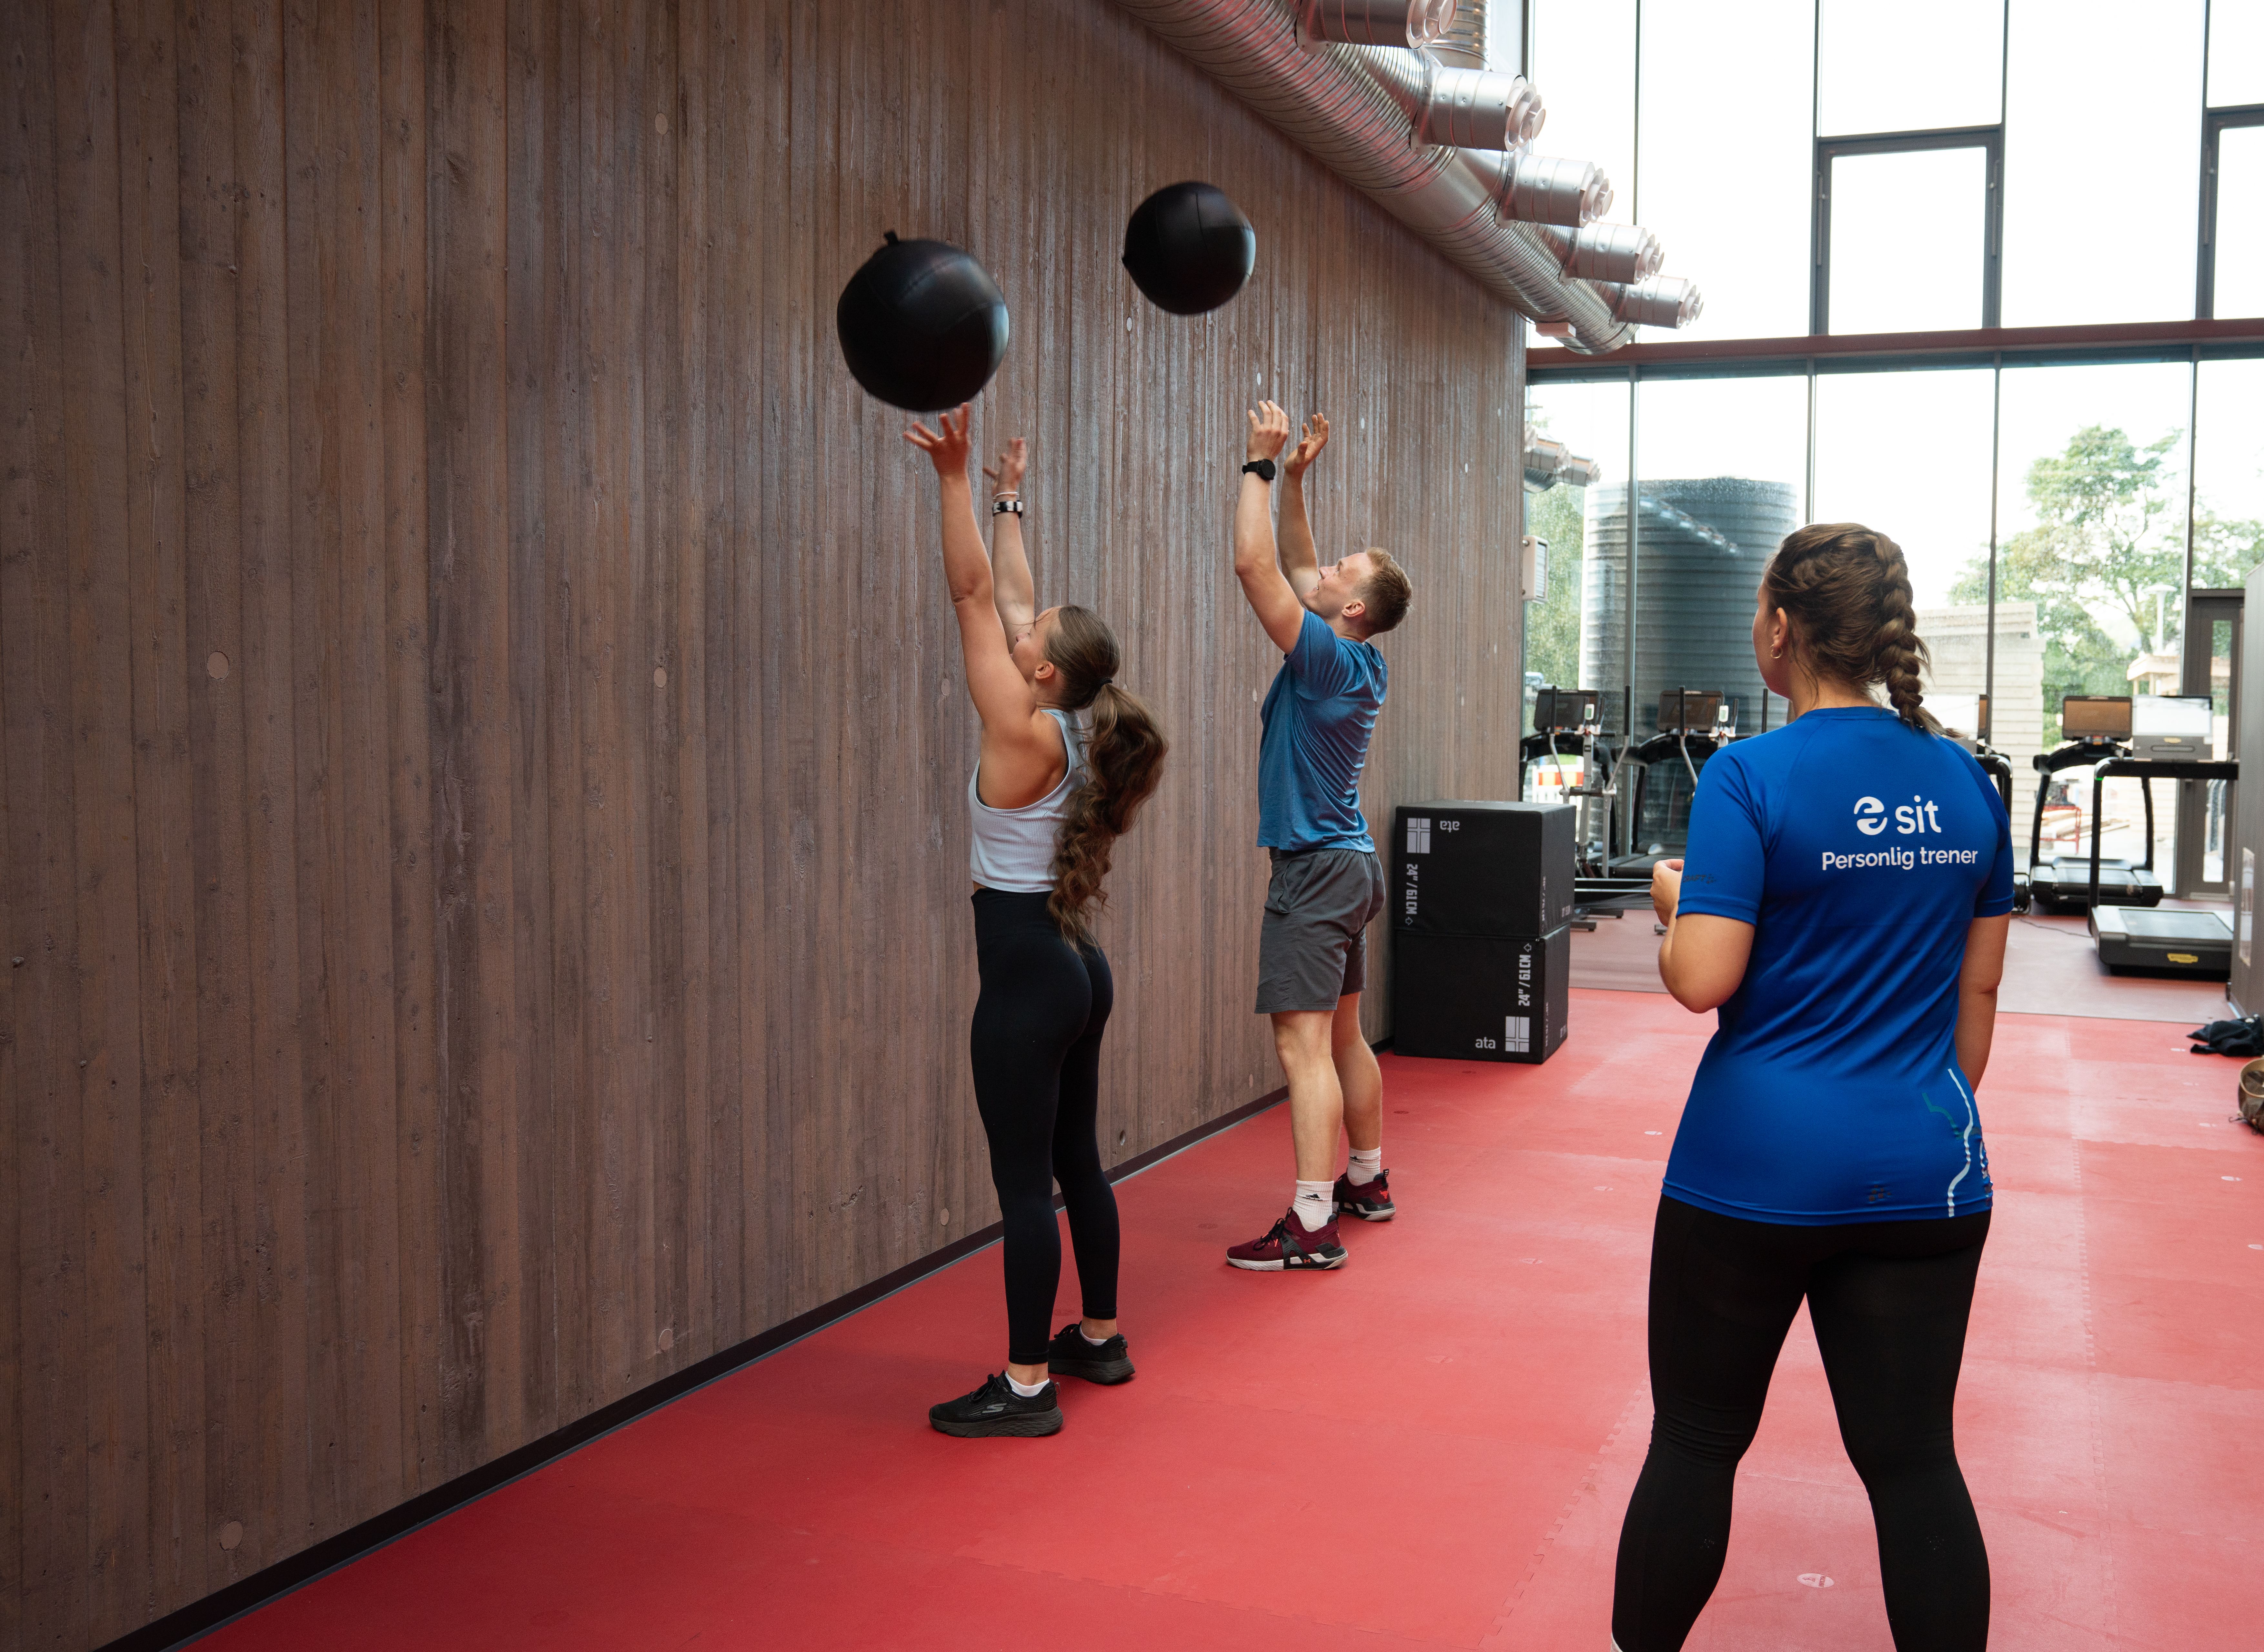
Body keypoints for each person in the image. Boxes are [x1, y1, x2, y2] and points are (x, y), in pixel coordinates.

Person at [1611, 524, 2013, 1652]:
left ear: (1780, 631)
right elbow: (1973, 1003)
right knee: (1915, 1462)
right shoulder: (1968, 782)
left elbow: (1701, 979)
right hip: (1926, 1165)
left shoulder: (1750, 773)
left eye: (1756, 611)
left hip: (1752, 1170)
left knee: (1694, 1441)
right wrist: (1915, 1109)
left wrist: (1665, 903)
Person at [904, 408, 1169, 1437]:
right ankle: (1097, 1336)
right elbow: (1010, 594)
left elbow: (974, 593)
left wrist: (953, 481)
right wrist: (1010, 499)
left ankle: (1024, 1386)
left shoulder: (1019, 726)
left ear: (1044, 671)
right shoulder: (1067, 713)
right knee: (1077, 1164)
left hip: (1024, 976)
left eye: (1034, 637)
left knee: (1025, 1188)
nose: (1022, 630)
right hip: (1075, 967)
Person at [1223, 402, 1414, 1271]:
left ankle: (1309, 1223)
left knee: (1303, 1048)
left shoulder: (1328, 660)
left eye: (1344, 568)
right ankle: (1365, 1180)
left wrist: (1257, 468)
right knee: (1345, 1037)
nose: (1326, 566)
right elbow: (1298, 563)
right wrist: (1299, 479)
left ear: (1357, 605)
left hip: (1314, 873)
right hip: (1350, 868)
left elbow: (1255, 565)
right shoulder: (1354, 654)